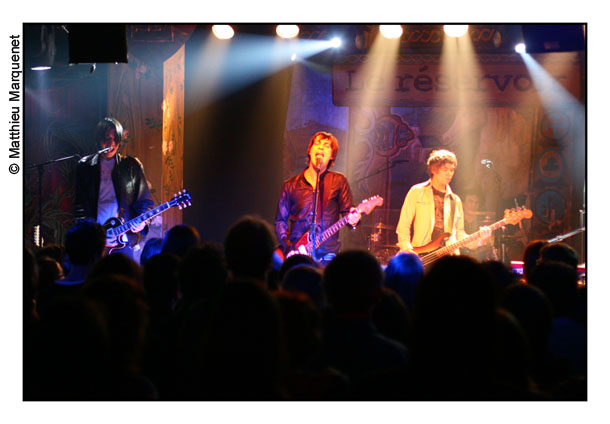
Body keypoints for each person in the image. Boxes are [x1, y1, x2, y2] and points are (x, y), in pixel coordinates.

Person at [275, 131, 361, 265]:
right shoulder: (290, 185)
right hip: (297, 253)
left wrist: (354, 220)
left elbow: (348, 214)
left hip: (327, 255)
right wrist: (288, 247)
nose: (321, 147)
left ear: (332, 156)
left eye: (326, 145)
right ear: (309, 151)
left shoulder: (338, 181)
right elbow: (280, 221)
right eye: (317, 143)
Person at [74, 117, 154, 259]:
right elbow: (79, 206)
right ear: (98, 139)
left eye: (116, 139)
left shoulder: (131, 165)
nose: (112, 144)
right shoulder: (85, 166)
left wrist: (143, 222)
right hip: (95, 241)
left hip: (124, 240)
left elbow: (145, 202)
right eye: (107, 139)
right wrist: (89, 232)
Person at [396, 149, 491, 257]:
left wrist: (480, 240)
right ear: (433, 170)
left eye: (452, 170)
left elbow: (460, 235)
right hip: (421, 255)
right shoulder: (417, 191)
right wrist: (407, 249)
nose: (449, 174)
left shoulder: (455, 200)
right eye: (445, 169)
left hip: (448, 258)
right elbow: (403, 226)